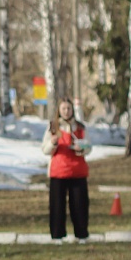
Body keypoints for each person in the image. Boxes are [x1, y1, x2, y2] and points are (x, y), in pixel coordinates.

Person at [42, 97, 91, 241]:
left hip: (77, 172)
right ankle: (57, 235)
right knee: (57, 206)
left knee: (80, 205)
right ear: (59, 110)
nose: (66, 111)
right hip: (58, 172)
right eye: (63, 109)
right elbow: (45, 150)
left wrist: (81, 148)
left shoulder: (80, 127)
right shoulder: (53, 127)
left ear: (72, 110)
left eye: (69, 108)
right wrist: (52, 143)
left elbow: (89, 146)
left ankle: (81, 234)